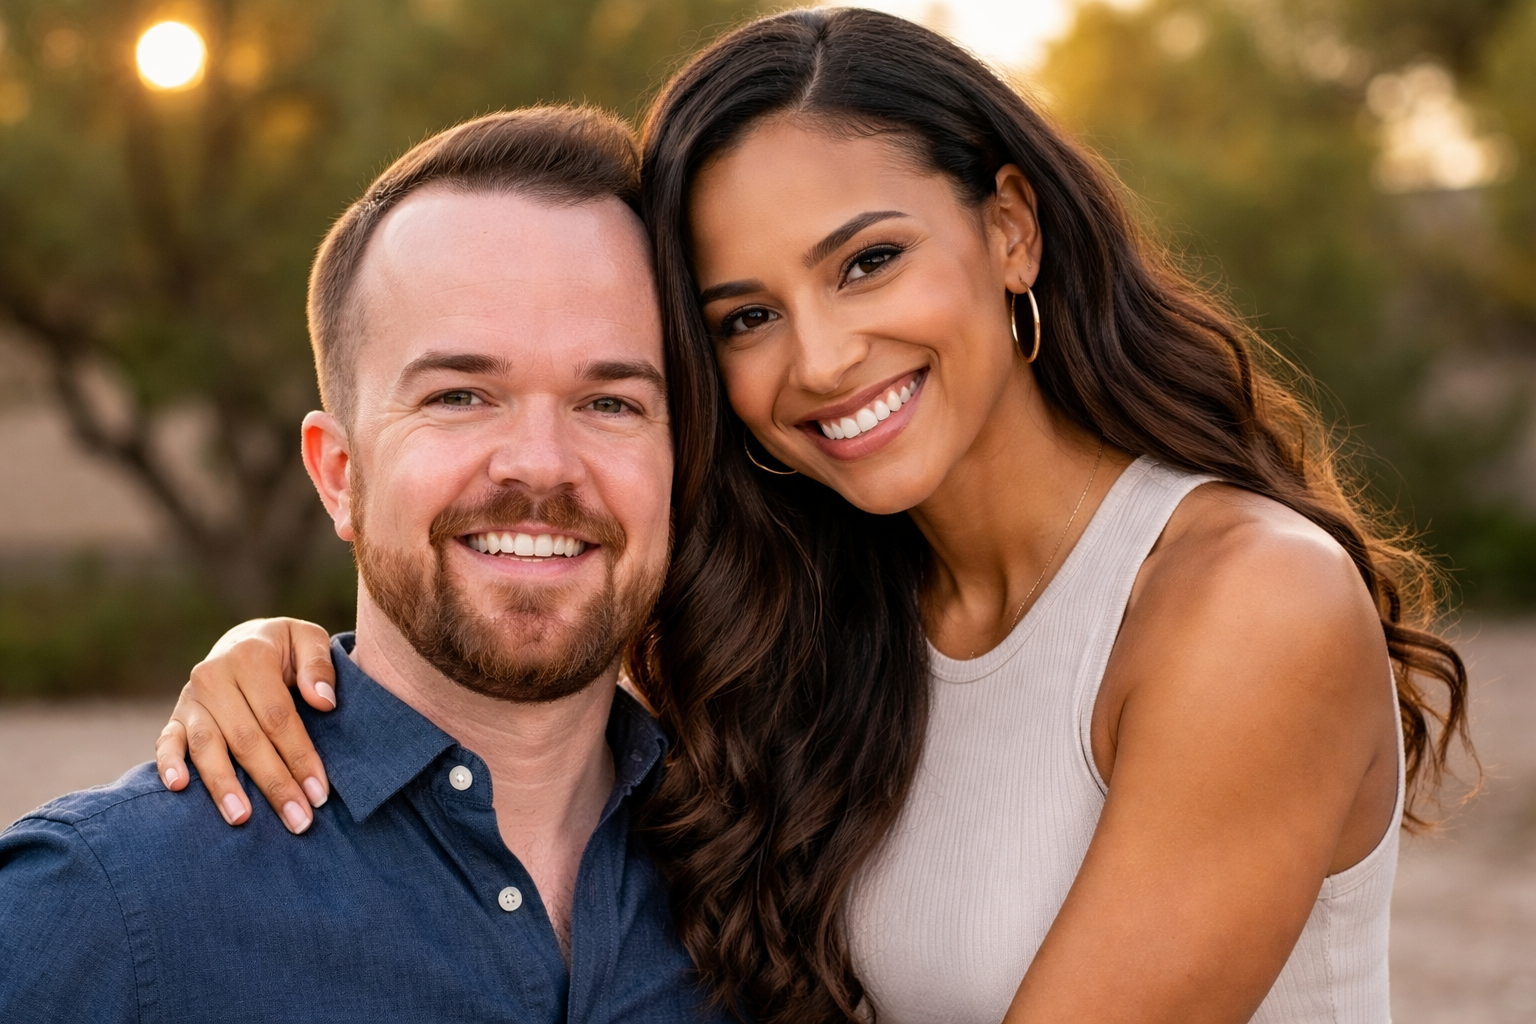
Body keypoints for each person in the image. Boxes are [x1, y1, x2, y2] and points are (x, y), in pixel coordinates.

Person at [150, 9, 1472, 1024]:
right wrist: (280, 661)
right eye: (746, 318)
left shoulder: (1246, 601)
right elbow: (517, 633)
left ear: (1011, 230)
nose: (825, 359)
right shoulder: (827, 612)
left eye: (868, 261)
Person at [0, 107, 732, 1024]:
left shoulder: (779, 882)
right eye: (460, 395)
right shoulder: (101, 911)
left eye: (611, 402)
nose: (541, 464)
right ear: (339, 474)